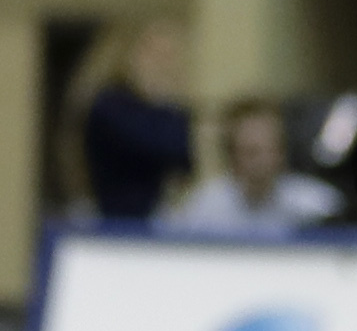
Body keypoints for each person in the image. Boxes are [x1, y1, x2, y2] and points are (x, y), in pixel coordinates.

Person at [79, 17, 194, 221]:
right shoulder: (109, 105)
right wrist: (162, 101)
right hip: (113, 216)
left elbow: (185, 158)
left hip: (153, 215)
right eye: (154, 54)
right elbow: (163, 146)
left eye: (167, 56)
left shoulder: (160, 109)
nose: (162, 64)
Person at [170, 97, 340, 231]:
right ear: (231, 156)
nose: (263, 161)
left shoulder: (317, 206)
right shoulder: (203, 209)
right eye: (251, 152)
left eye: (272, 149)